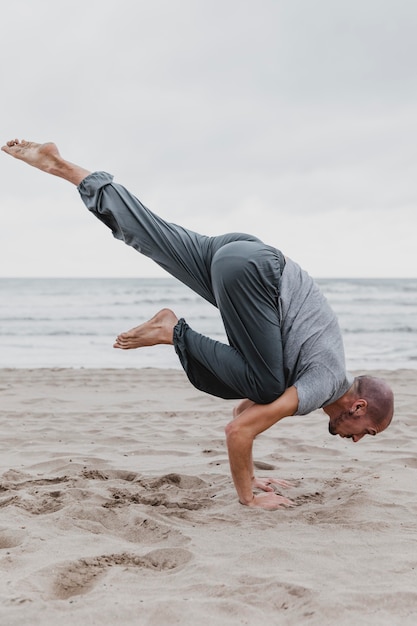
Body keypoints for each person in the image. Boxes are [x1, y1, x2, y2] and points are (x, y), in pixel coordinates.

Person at [2, 139, 394, 511]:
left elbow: (244, 412)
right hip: (256, 273)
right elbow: (238, 431)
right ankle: (170, 329)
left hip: (240, 255)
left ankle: (63, 167)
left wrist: (251, 472)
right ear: (358, 406)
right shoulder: (325, 382)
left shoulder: (322, 370)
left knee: (148, 234)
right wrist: (248, 498)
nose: (357, 439)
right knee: (267, 383)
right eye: (366, 430)